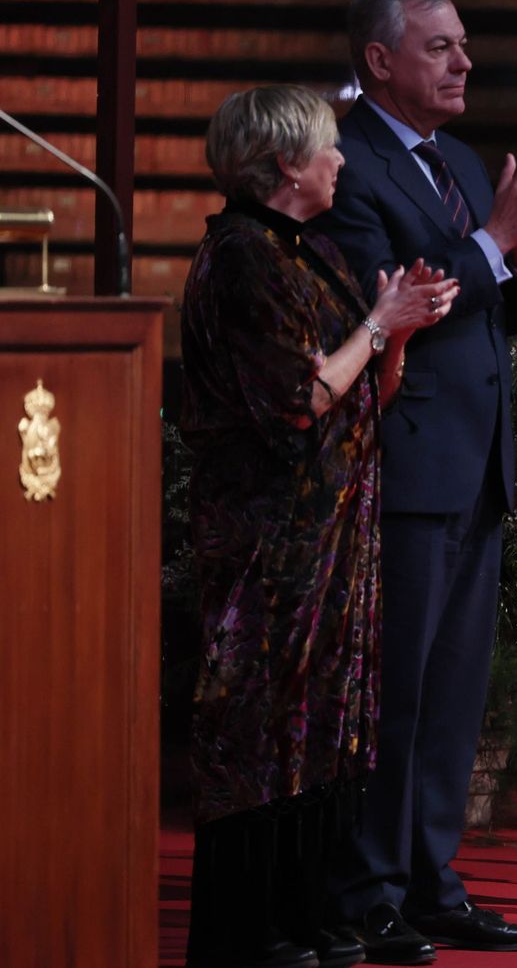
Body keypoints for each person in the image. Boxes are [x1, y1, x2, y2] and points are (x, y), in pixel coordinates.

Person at [313, 0, 517, 964]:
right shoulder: (346, 163)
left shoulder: (460, 157)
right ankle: (368, 887)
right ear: (380, 61)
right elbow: (395, 299)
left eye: (463, 44)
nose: (465, 62)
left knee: (457, 690)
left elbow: (503, 294)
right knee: (398, 689)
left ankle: (433, 878)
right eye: (440, 48)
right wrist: (498, 244)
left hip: (477, 464)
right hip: (402, 460)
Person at [180, 83, 458, 968]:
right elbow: (298, 403)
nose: (343, 161)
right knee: (263, 732)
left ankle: (309, 914)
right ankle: (250, 929)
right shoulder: (240, 258)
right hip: (270, 546)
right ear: (284, 165)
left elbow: (365, 396)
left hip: (332, 542)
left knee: (323, 729)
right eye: (329, 148)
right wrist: (378, 325)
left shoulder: (311, 252)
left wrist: (397, 336)